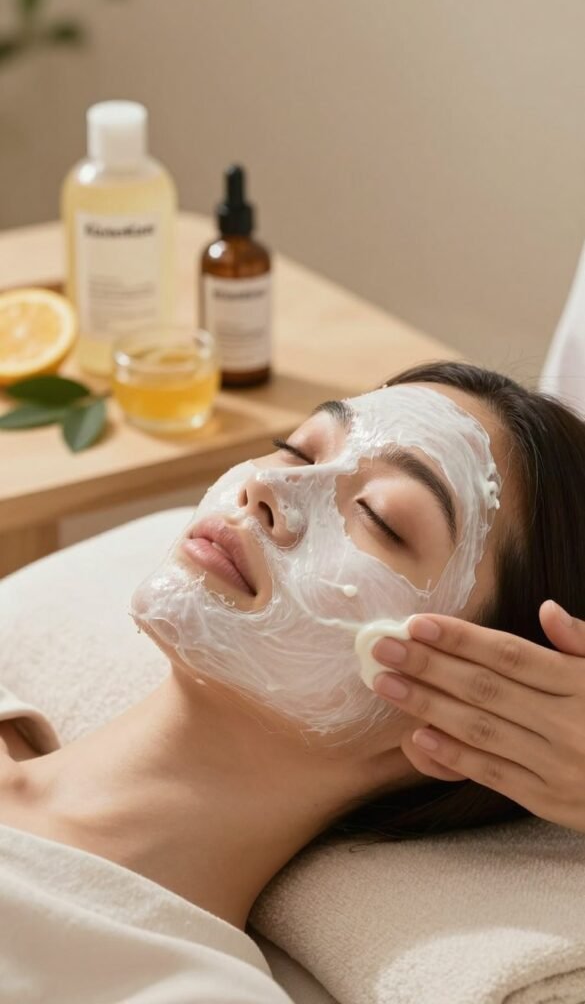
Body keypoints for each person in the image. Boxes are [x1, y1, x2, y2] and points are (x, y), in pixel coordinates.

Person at [1, 361, 585, 1004]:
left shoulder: (176, 986)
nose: (272, 488)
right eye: (297, 448)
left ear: (465, 710)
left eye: (380, 517)